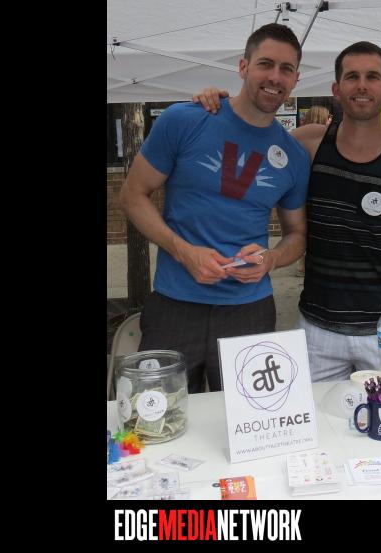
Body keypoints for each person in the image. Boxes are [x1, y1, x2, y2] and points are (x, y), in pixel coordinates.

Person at [193, 41, 381, 382]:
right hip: (317, 331)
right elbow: (252, 132)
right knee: (313, 419)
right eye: (352, 76)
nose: (361, 85)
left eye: (372, 77)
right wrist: (218, 105)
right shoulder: (309, 143)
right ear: (336, 89)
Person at [119, 23, 310, 393]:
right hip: (174, 304)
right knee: (159, 416)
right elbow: (132, 196)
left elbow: (297, 234)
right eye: (265, 64)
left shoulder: (294, 156)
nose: (275, 77)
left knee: (249, 422)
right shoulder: (184, 119)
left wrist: (271, 259)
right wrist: (183, 252)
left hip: (250, 309)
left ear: (296, 79)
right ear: (243, 67)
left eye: (286, 69)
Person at [295, 105, 331, 277]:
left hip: (299, 190)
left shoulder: (297, 137)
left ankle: (301, 263)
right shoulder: (326, 141)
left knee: (300, 228)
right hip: (317, 190)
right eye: (328, 116)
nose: (330, 119)